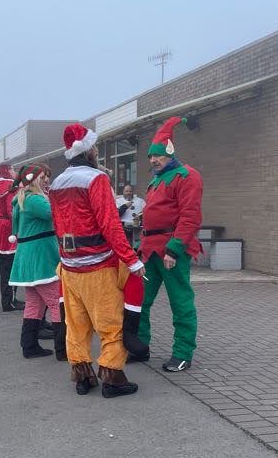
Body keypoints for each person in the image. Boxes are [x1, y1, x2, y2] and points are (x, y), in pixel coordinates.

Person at [49, 123, 146, 398]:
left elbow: (57, 224)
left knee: (76, 326)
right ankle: (113, 379)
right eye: (94, 147)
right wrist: (132, 260)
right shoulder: (96, 179)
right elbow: (110, 224)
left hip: (69, 268)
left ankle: (83, 377)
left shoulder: (57, 183)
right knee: (111, 325)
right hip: (98, 267)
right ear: (89, 150)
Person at [127, 117, 203, 373]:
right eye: (150, 157)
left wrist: (174, 248)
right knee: (140, 300)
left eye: (157, 156)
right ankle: (139, 346)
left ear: (170, 153)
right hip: (149, 250)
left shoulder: (187, 176)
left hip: (171, 251)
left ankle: (183, 352)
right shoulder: (157, 180)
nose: (152, 160)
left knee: (180, 302)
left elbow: (190, 215)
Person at [7, 164, 65, 359]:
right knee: (57, 303)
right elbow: (56, 215)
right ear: (33, 180)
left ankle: (29, 346)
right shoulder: (34, 200)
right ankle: (62, 350)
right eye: (43, 177)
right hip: (41, 260)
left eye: (48, 176)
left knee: (35, 304)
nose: (47, 180)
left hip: (29, 260)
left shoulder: (24, 198)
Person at [0, 163, 24, 312]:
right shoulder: (11, 185)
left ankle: (7, 300)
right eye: (12, 169)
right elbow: (12, 209)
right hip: (9, 228)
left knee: (5, 268)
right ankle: (10, 301)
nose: (14, 171)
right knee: (12, 267)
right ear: (7, 170)